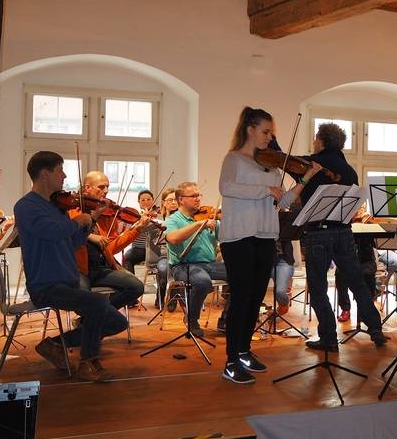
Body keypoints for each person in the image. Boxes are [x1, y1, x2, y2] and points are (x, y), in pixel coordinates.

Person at [218, 107, 322, 384]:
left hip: (266, 236)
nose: (270, 137)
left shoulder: (272, 166)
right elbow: (226, 187)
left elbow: (283, 201)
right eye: (265, 132)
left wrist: (305, 179)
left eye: (271, 132)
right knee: (241, 298)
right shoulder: (234, 159)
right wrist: (264, 190)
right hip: (239, 236)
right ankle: (230, 361)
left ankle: (244, 351)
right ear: (250, 129)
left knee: (255, 298)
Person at [14, 151, 127, 382]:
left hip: (68, 281)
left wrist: (91, 219)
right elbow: (52, 232)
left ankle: (55, 344)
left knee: (118, 322)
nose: (64, 176)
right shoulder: (26, 206)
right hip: (45, 285)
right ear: (45, 174)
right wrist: (77, 220)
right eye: (60, 171)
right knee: (97, 303)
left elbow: (74, 242)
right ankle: (88, 362)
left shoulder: (59, 207)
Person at [300, 123, 389, 353]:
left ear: (321, 141)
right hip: (343, 232)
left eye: (315, 138)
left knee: (318, 288)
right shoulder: (350, 171)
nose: (314, 142)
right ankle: (376, 328)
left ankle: (329, 338)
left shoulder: (310, 164)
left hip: (318, 233)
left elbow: (284, 162)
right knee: (357, 282)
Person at [71, 171, 146, 310]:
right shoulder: (71, 210)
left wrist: (137, 230)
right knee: (82, 297)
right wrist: (89, 235)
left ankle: (94, 317)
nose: (105, 191)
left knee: (136, 287)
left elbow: (111, 248)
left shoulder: (106, 215)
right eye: (101, 187)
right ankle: (96, 317)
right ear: (87, 188)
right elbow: (69, 235)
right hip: (78, 269)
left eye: (107, 187)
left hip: (101, 268)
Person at [164, 182, 227, 338]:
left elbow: (227, 237)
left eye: (199, 195)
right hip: (183, 266)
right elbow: (173, 238)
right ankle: (192, 320)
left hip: (210, 264)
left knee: (244, 274)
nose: (198, 199)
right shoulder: (173, 220)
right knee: (202, 282)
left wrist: (227, 221)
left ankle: (226, 319)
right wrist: (199, 224)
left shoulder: (208, 217)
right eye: (193, 196)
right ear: (180, 200)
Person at [121, 189, 163, 275]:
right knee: (127, 257)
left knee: (164, 262)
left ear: (153, 200)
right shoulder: (135, 216)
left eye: (148, 199)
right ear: (139, 202)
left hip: (155, 249)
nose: (146, 202)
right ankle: (131, 280)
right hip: (138, 249)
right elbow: (128, 230)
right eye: (143, 200)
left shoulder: (159, 214)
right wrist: (139, 222)